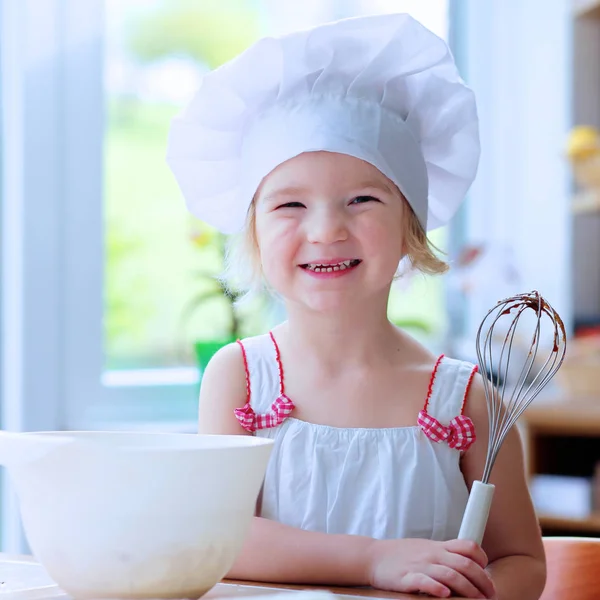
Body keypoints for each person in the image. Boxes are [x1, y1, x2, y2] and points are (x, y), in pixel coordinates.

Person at [166, 13, 545, 600]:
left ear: (409, 230)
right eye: (289, 204)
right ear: (254, 236)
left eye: (362, 199)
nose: (325, 230)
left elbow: (520, 559)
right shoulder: (241, 378)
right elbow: (219, 537)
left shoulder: (467, 400)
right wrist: (373, 561)